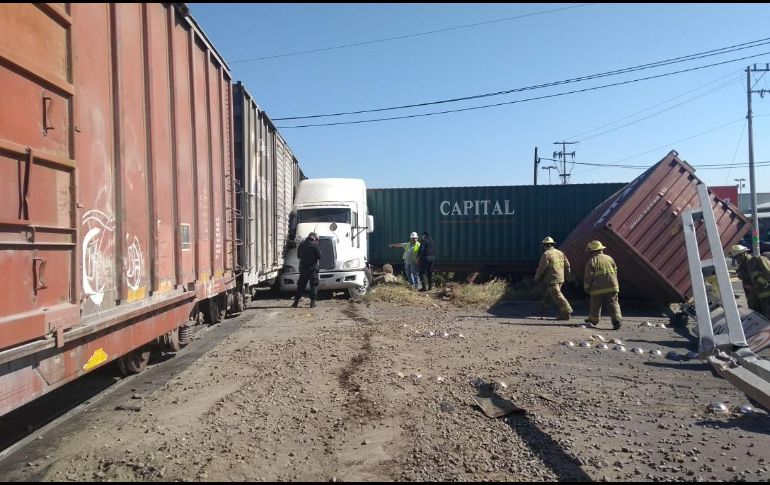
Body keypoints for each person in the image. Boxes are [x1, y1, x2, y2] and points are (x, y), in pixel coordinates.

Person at [583, 240, 622, 330]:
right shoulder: (610, 258)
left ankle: (593, 320)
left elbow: (588, 277)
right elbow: (615, 271)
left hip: (597, 288)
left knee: (595, 304)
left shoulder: (592, 261)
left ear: (592, 251)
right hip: (612, 286)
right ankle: (617, 321)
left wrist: (587, 287)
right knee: (613, 304)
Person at [533, 236, 573, 320]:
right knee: (551, 294)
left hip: (552, 279)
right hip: (560, 279)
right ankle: (544, 306)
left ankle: (566, 312)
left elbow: (541, 268)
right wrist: (568, 276)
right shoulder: (560, 252)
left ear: (545, 245)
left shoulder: (546, 254)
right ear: (552, 244)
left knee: (557, 296)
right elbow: (567, 265)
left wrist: (537, 277)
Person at [729, 244, 770, 318]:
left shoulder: (757, 260)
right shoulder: (742, 268)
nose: (737, 259)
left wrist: (760, 284)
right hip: (755, 298)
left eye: (738, 256)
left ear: (744, 253)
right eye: (735, 257)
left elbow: (768, 273)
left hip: (767, 296)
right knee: (758, 319)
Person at [292, 232, 322, 308]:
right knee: (314, 285)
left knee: (301, 286)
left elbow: (298, 256)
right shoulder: (315, 245)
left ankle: (295, 303)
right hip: (312, 269)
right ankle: (312, 303)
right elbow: (319, 257)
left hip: (303, 268)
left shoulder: (301, 245)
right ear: (315, 238)